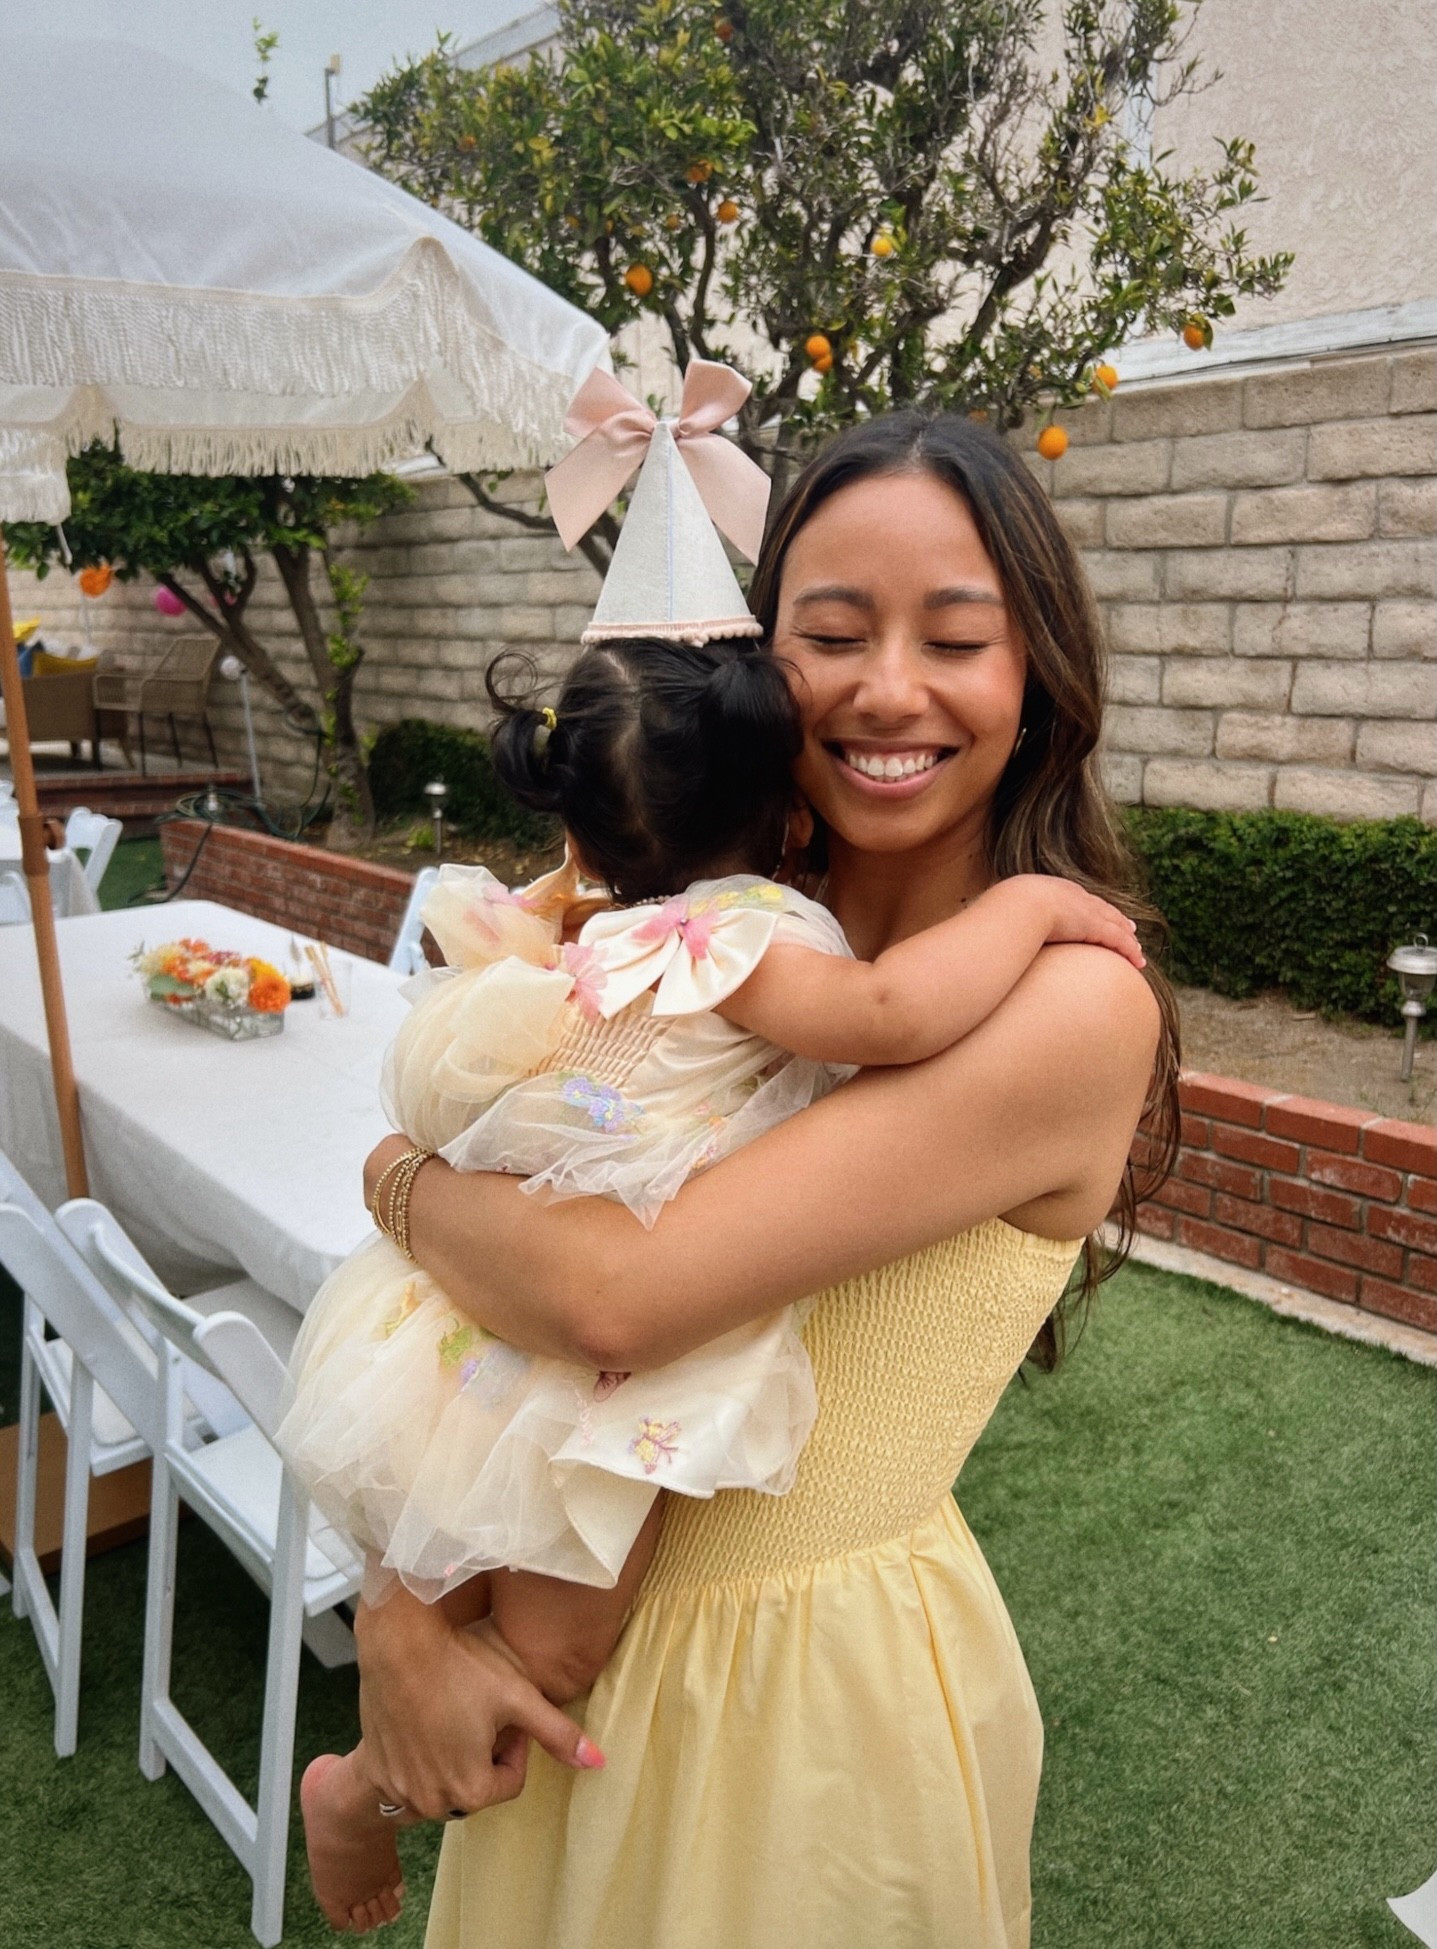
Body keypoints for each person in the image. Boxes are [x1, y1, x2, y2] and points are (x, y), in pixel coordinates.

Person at [351, 405, 1180, 1949]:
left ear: (1036, 676)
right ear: (750, 656)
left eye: (954, 637)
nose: (886, 688)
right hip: (556, 1614)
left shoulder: (1065, 997)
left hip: (799, 1708)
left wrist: (387, 1174)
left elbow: (608, 1294)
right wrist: (397, 1614)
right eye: (832, 631)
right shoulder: (702, 904)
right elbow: (470, 1263)